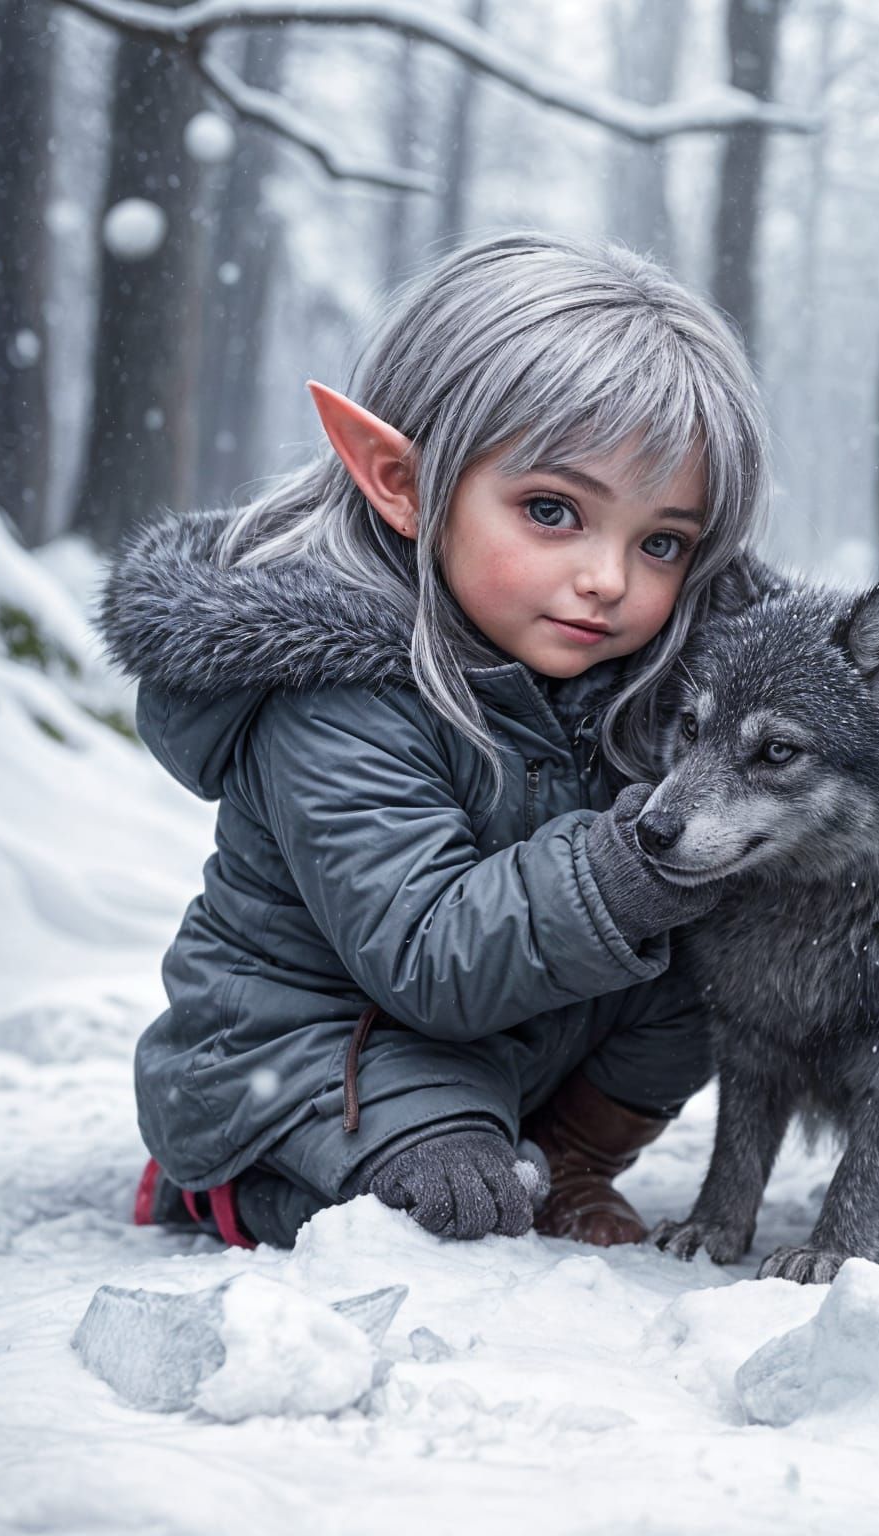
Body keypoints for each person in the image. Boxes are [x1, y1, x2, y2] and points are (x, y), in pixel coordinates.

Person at [97, 230, 772, 1251]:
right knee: (450, 1191)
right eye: (553, 511)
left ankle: (570, 1157)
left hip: (515, 1034)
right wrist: (619, 870)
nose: (609, 579)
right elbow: (427, 954)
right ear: (400, 482)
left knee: (716, 966)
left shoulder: (630, 670)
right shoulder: (336, 698)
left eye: (662, 542)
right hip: (324, 1045)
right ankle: (240, 1183)